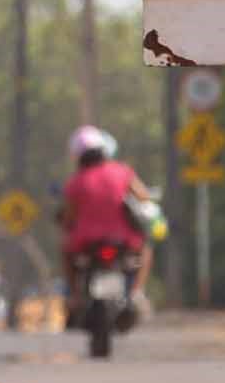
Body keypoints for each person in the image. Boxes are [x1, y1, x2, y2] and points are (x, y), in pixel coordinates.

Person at [57, 126, 156, 313]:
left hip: (85, 242)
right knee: (146, 248)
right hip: (124, 239)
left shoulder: (76, 181)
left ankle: (75, 296)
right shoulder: (122, 172)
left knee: (65, 251)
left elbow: (69, 216)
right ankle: (136, 292)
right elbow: (143, 196)